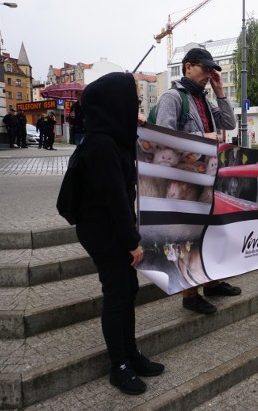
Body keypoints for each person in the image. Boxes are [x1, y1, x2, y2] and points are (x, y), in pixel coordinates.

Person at [75, 72, 164, 395]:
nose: (138, 105)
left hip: (111, 226)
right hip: (102, 232)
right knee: (117, 295)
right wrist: (131, 243)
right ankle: (119, 366)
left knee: (128, 290)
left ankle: (132, 353)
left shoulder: (113, 138)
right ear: (118, 104)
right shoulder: (102, 145)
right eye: (134, 99)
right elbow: (115, 199)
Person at [156, 47, 240, 315]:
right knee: (190, 237)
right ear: (188, 66)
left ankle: (212, 282)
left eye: (211, 69)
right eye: (205, 69)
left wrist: (220, 91)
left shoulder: (203, 98)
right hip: (184, 181)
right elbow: (163, 139)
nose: (208, 74)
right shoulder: (173, 97)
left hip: (207, 177)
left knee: (212, 232)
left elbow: (229, 122)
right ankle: (189, 293)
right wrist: (203, 138)